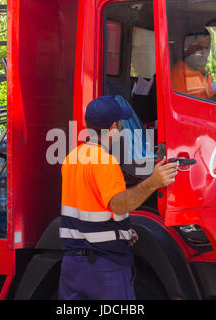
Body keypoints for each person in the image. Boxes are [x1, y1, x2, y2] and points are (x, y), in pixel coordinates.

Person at [58, 96, 179, 300]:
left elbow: (89, 207)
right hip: (104, 269)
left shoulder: (72, 158)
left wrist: (122, 232)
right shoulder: (105, 162)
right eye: (121, 124)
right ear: (114, 126)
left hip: (73, 267)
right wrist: (153, 182)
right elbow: (118, 204)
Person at [171, 29, 216, 103]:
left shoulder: (202, 71)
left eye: (207, 48)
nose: (205, 54)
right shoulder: (177, 74)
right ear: (186, 49)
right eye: (199, 48)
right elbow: (183, 108)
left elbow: (209, 97)